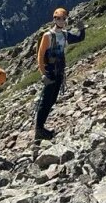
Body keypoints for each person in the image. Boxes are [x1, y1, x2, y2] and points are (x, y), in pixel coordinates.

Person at [35, 9, 85, 140]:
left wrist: (82, 28)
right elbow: (40, 56)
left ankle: (41, 129)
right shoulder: (47, 36)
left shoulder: (65, 34)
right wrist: (43, 74)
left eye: (63, 19)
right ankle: (39, 129)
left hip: (59, 73)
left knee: (51, 100)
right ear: (54, 19)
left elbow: (80, 38)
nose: (61, 21)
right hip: (50, 73)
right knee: (45, 101)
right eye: (58, 19)